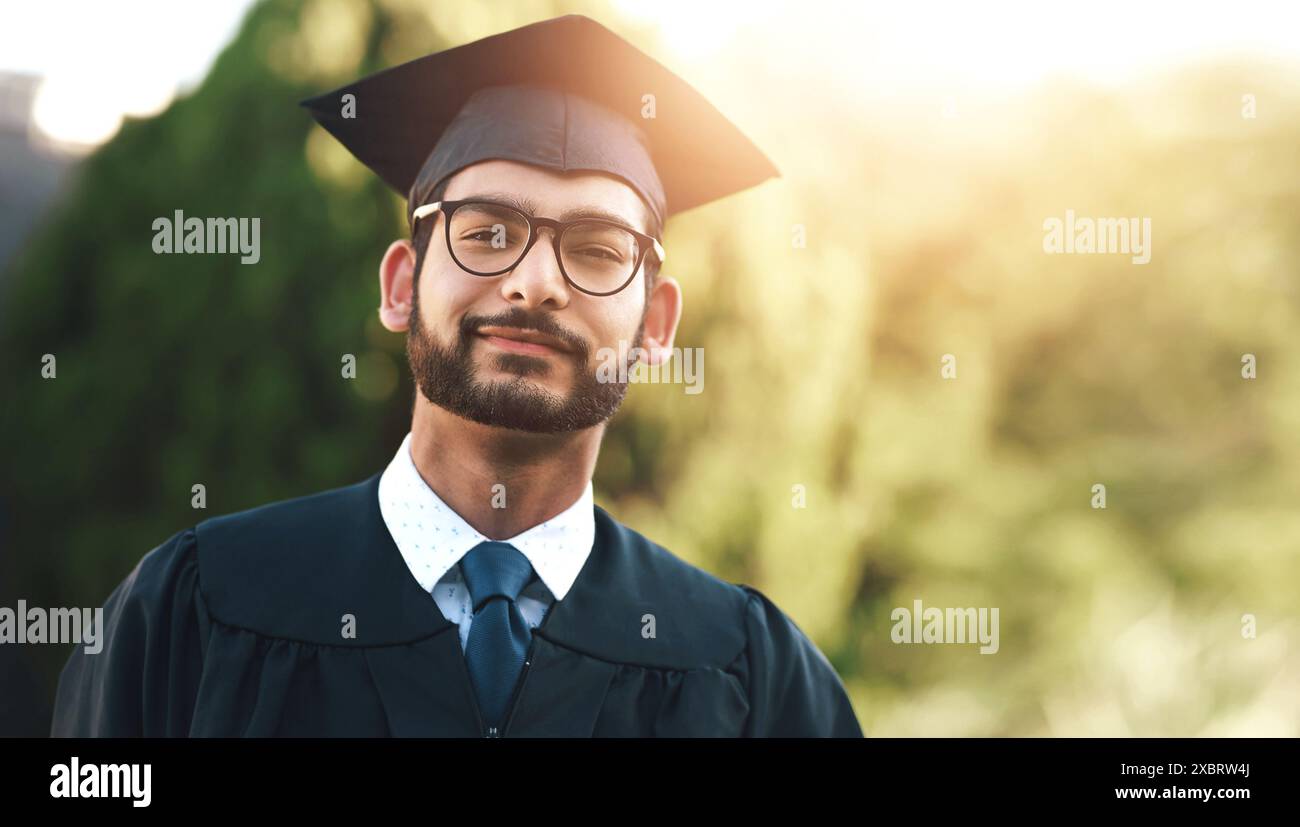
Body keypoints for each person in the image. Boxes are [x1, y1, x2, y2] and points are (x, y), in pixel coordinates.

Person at [51, 14, 863, 738]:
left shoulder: (752, 681)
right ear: (401, 285)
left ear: (656, 326)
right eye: (487, 232)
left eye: (597, 249)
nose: (536, 281)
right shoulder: (192, 613)